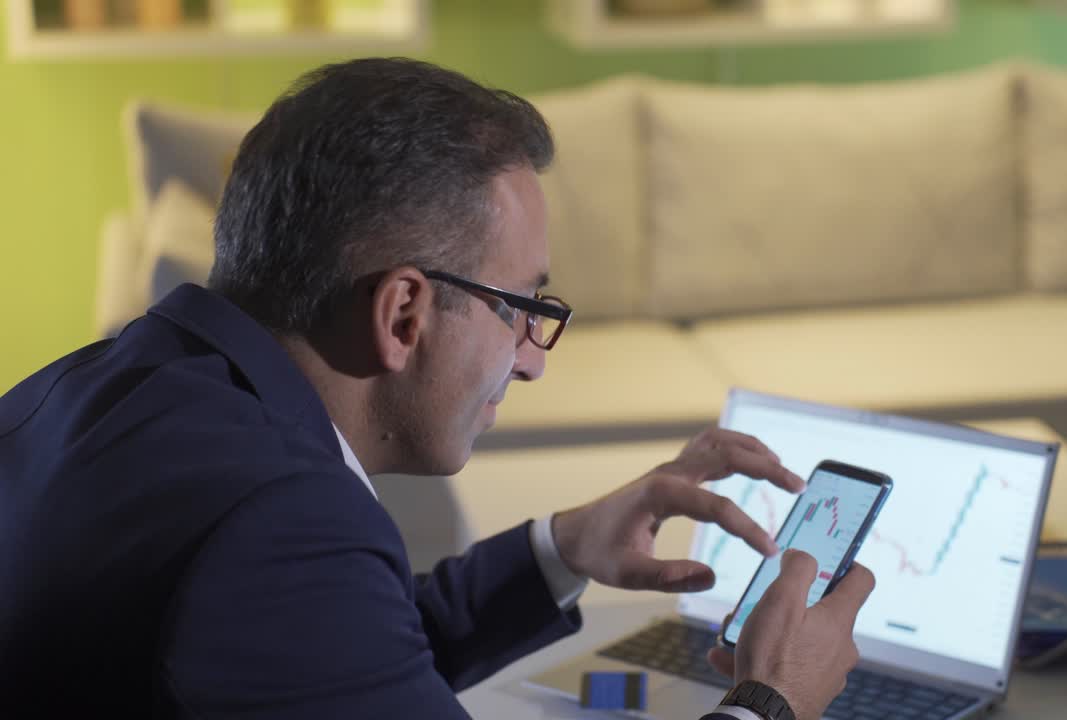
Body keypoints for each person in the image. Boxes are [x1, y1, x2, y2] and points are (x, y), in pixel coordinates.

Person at [0, 57, 875, 720]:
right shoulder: (279, 522)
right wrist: (771, 697)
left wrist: (563, 547)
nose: (532, 361)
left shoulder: (100, 382)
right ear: (404, 312)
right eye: (522, 308)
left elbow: (339, 660)